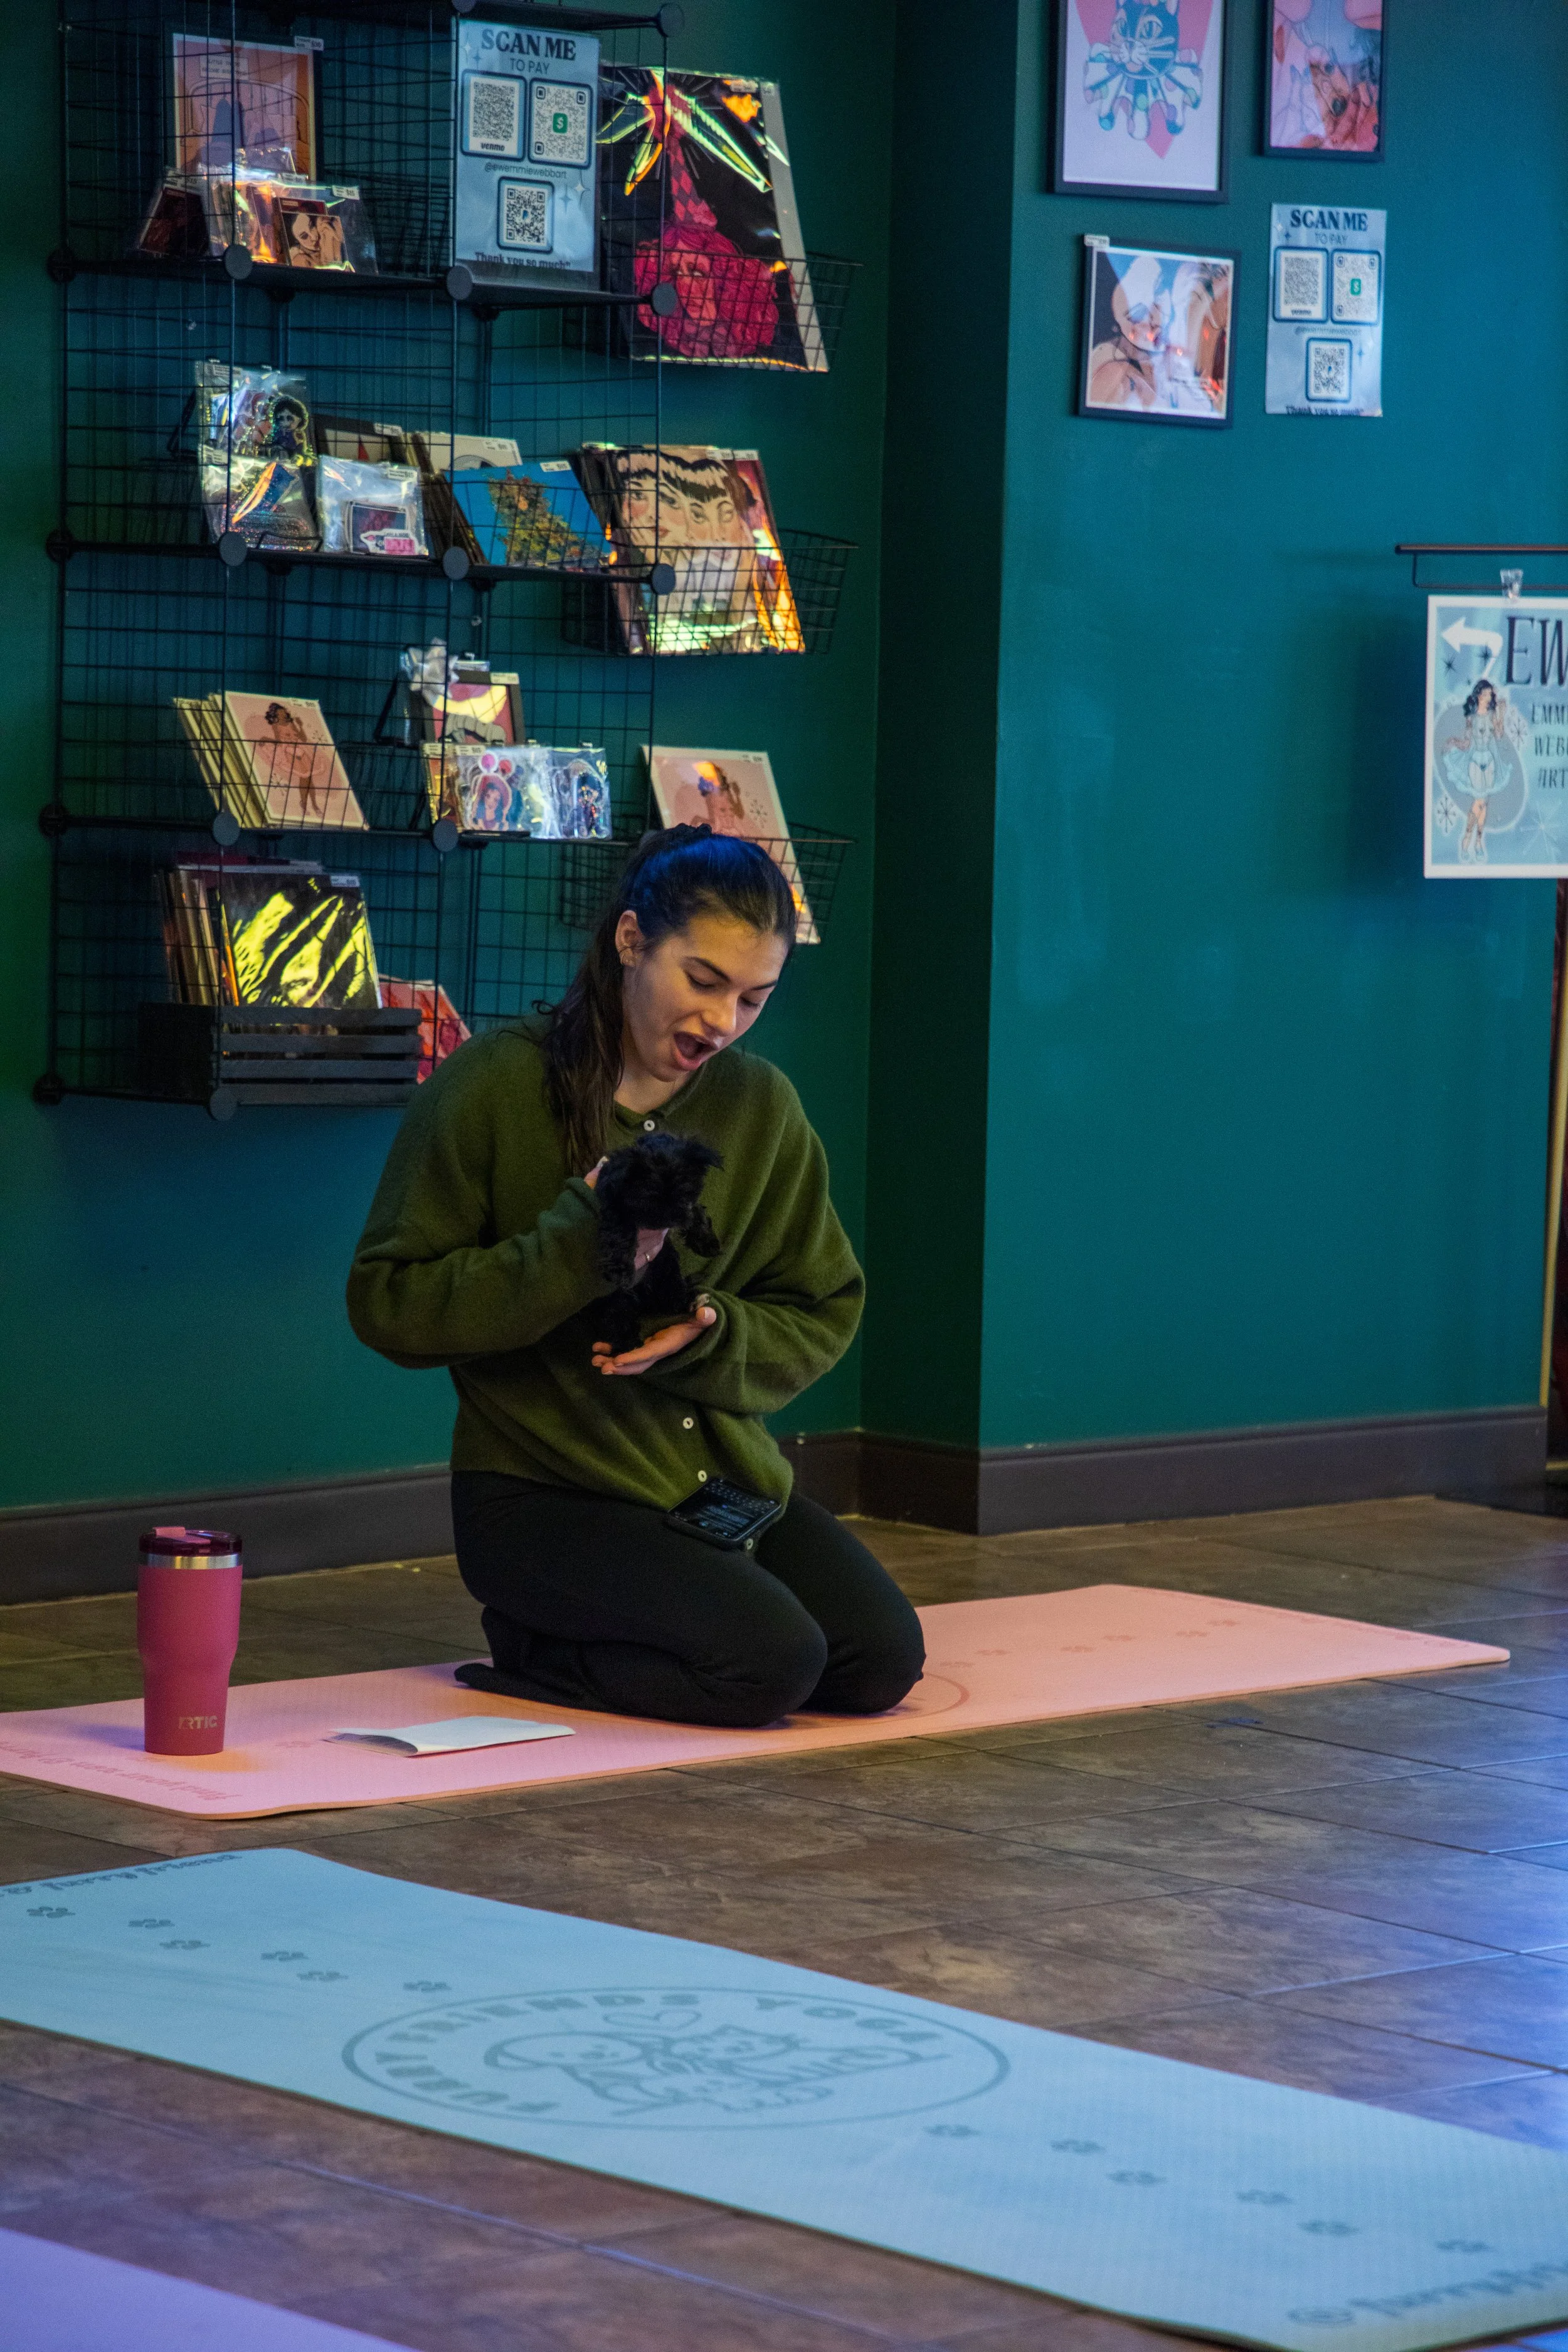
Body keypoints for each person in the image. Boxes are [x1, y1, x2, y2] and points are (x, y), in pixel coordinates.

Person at [346, 825, 924, 1730]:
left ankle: (649, 1625)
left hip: (714, 1488)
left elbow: (821, 1306)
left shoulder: (761, 1105)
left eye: (753, 997)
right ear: (629, 941)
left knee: (879, 1661)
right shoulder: (492, 1086)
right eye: (703, 980)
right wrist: (575, 1248)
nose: (722, 1022)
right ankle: (536, 1643)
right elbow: (389, 1304)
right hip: (540, 1500)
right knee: (771, 1665)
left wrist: (713, 1332)